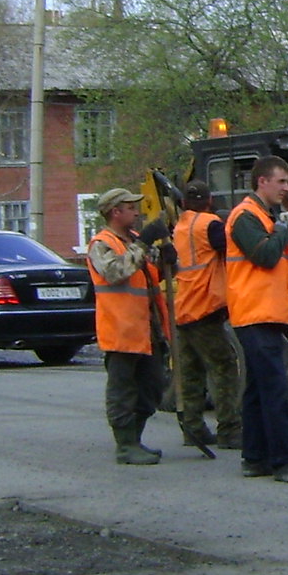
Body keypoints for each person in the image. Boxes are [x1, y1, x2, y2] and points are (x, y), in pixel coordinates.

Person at [224, 155, 288, 484]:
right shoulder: (246, 216)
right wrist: (281, 231)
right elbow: (264, 255)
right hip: (254, 313)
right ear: (262, 181)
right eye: (281, 182)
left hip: (267, 312)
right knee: (275, 388)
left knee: (257, 389)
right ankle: (284, 462)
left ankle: (255, 457)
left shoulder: (265, 215)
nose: (287, 188)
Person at [88, 186, 172, 464]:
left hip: (147, 330)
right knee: (123, 391)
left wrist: (167, 258)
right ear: (116, 212)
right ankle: (125, 445)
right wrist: (144, 242)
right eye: (131, 208)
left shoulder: (134, 240)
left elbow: (149, 276)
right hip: (121, 331)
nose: (136, 213)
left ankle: (135, 438)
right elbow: (115, 272)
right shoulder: (101, 244)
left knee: (152, 387)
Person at [172, 179, 242, 451]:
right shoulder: (210, 225)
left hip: (184, 307)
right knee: (224, 368)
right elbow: (231, 249)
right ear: (210, 200)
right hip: (205, 308)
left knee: (191, 372)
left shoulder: (179, 226)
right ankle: (229, 429)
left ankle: (193, 427)